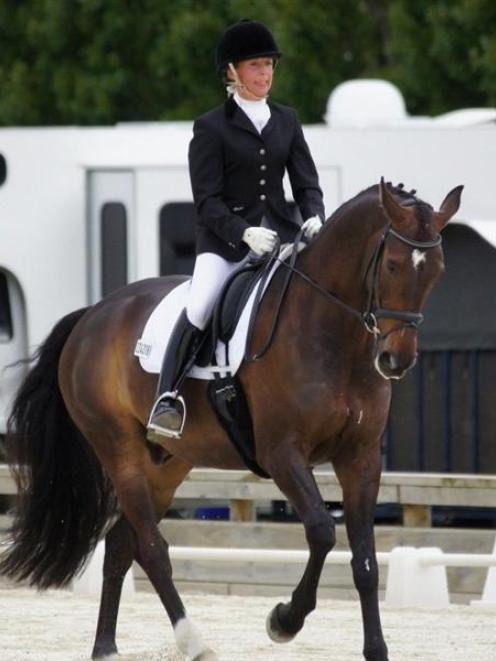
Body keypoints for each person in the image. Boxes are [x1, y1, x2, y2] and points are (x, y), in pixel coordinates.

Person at [147, 18, 326, 440]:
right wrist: (243, 232)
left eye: (269, 66)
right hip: (225, 243)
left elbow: (305, 182)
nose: (265, 74)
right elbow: (206, 200)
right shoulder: (210, 127)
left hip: (282, 237)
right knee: (201, 304)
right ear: (232, 71)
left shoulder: (287, 120)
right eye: (255, 66)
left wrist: (315, 214)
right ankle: (167, 397)